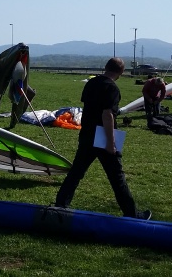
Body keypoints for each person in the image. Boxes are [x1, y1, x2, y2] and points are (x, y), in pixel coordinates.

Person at [55, 57, 151, 220]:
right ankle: (131, 213)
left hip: (87, 134)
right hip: (102, 137)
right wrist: (110, 142)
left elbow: (90, 108)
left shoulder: (91, 83)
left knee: (76, 172)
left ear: (106, 67)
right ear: (121, 72)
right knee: (116, 176)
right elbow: (107, 115)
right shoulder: (112, 88)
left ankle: (60, 205)